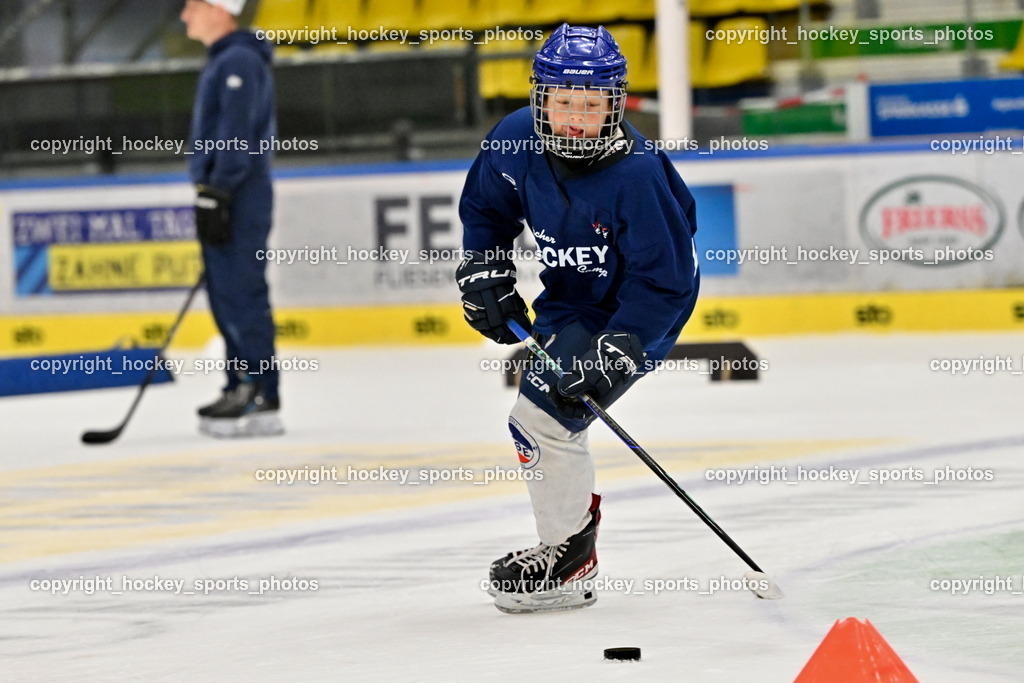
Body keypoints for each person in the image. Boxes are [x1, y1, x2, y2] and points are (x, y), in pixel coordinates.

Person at [456, 24, 700, 613]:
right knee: (545, 419)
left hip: (632, 309)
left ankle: (568, 559)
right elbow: (487, 209)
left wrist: (620, 347)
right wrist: (484, 268)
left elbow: (666, 280)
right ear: (540, 98)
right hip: (568, 296)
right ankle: (569, 549)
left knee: (543, 419)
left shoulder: (638, 174)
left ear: (615, 105)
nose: (574, 120)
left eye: (591, 106)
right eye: (563, 102)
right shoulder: (515, 139)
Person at [181, 0, 282, 437]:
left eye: (192, 6)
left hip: (239, 194)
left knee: (241, 292)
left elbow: (236, 135)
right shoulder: (226, 59)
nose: (185, 16)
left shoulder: (238, 60)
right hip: (226, 192)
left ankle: (261, 391)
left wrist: (220, 189)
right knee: (226, 294)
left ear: (219, 10)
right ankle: (240, 384)